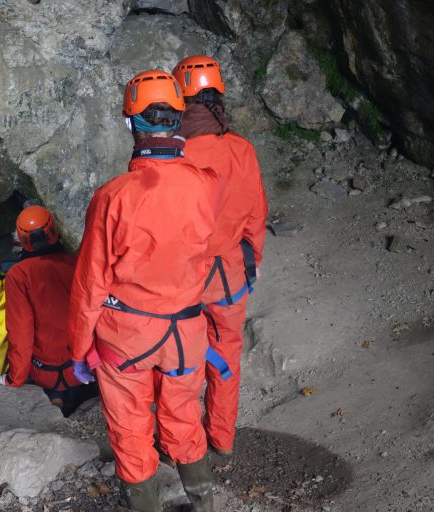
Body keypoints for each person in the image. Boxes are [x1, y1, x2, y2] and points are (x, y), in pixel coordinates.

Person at [68, 70, 222, 511]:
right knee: (184, 417)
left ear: (130, 123)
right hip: (186, 334)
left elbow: (89, 284)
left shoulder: (113, 197)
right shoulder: (204, 184)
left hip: (127, 339)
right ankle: (204, 504)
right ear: (177, 119)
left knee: (131, 430)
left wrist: (79, 349)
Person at [173, 55, 268, 456]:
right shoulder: (241, 149)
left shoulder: (172, 157)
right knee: (226, 359)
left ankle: (182, 447)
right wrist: (252, 263)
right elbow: (255, 214)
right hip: (230, 277)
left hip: (186, 282)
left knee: (181, 363)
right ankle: (222, 439)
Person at [0, 206, 90, 416]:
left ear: (22, 241)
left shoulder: (19, 275)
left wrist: (15, 379)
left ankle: (56, 400)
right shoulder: (75, 264)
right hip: (80, 368)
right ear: (55, 232)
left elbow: (21, 332)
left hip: (46, 372)